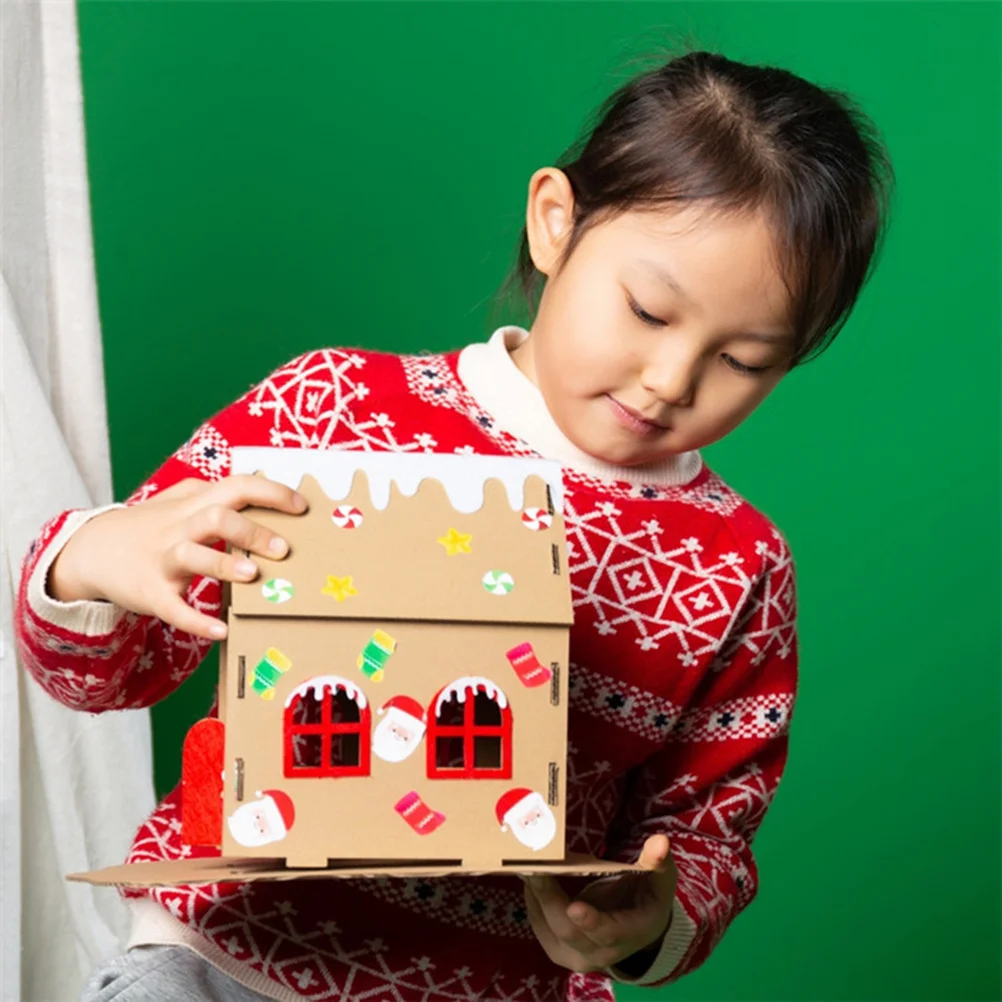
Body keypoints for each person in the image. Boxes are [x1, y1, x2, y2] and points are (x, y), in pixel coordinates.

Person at [14, 47, 893, 1002]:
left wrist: (648, 915)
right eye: (646, 310)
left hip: (501, 985)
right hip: (218, 963)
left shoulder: (737, 566)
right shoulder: (329, 410)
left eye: (746, 360)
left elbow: (708, 831)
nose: (671, 379)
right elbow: (106, 674)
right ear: (556, 222)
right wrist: (94, 560)